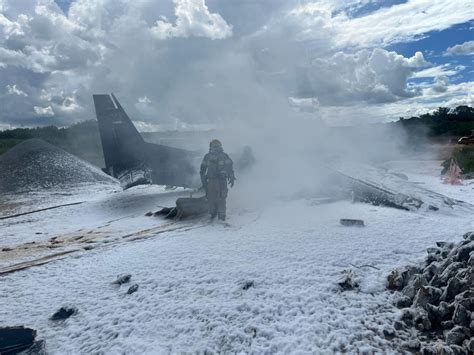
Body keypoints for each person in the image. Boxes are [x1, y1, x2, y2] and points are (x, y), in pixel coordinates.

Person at [200, 139, 235, 221]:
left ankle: (221, 216)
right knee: (211, 198)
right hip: (211, 181)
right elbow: (202, 170)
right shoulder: (207, 156)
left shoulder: (224, 156)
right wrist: (203, 181)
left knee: (221, 198)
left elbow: (230, 167)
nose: (216, 147)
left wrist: (231, 176)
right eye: (214, 146)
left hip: (221, 181)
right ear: (211, 147)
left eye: (217, 145)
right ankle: (213, 213)